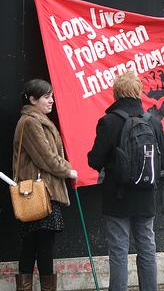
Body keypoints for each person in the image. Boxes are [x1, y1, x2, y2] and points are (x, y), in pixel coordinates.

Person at [88, 72, 164, 291]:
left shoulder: (108, 122)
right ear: (138, 91)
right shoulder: (154, 122)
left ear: (116, 93)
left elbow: (95, 160)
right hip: (146, 196)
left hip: (117, 197)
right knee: (147, 249)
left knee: (119, 252)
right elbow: (163, 163)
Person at [12, 79, 78, 291]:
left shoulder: (36, 120)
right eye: (46, 97)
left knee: (33, 246)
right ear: (32, 100)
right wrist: (68, 170)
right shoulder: (31, 122)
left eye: (52, 96)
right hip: (41, 193)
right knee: (43, 247)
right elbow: (46, 157)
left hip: (38, 193)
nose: (51, 101)